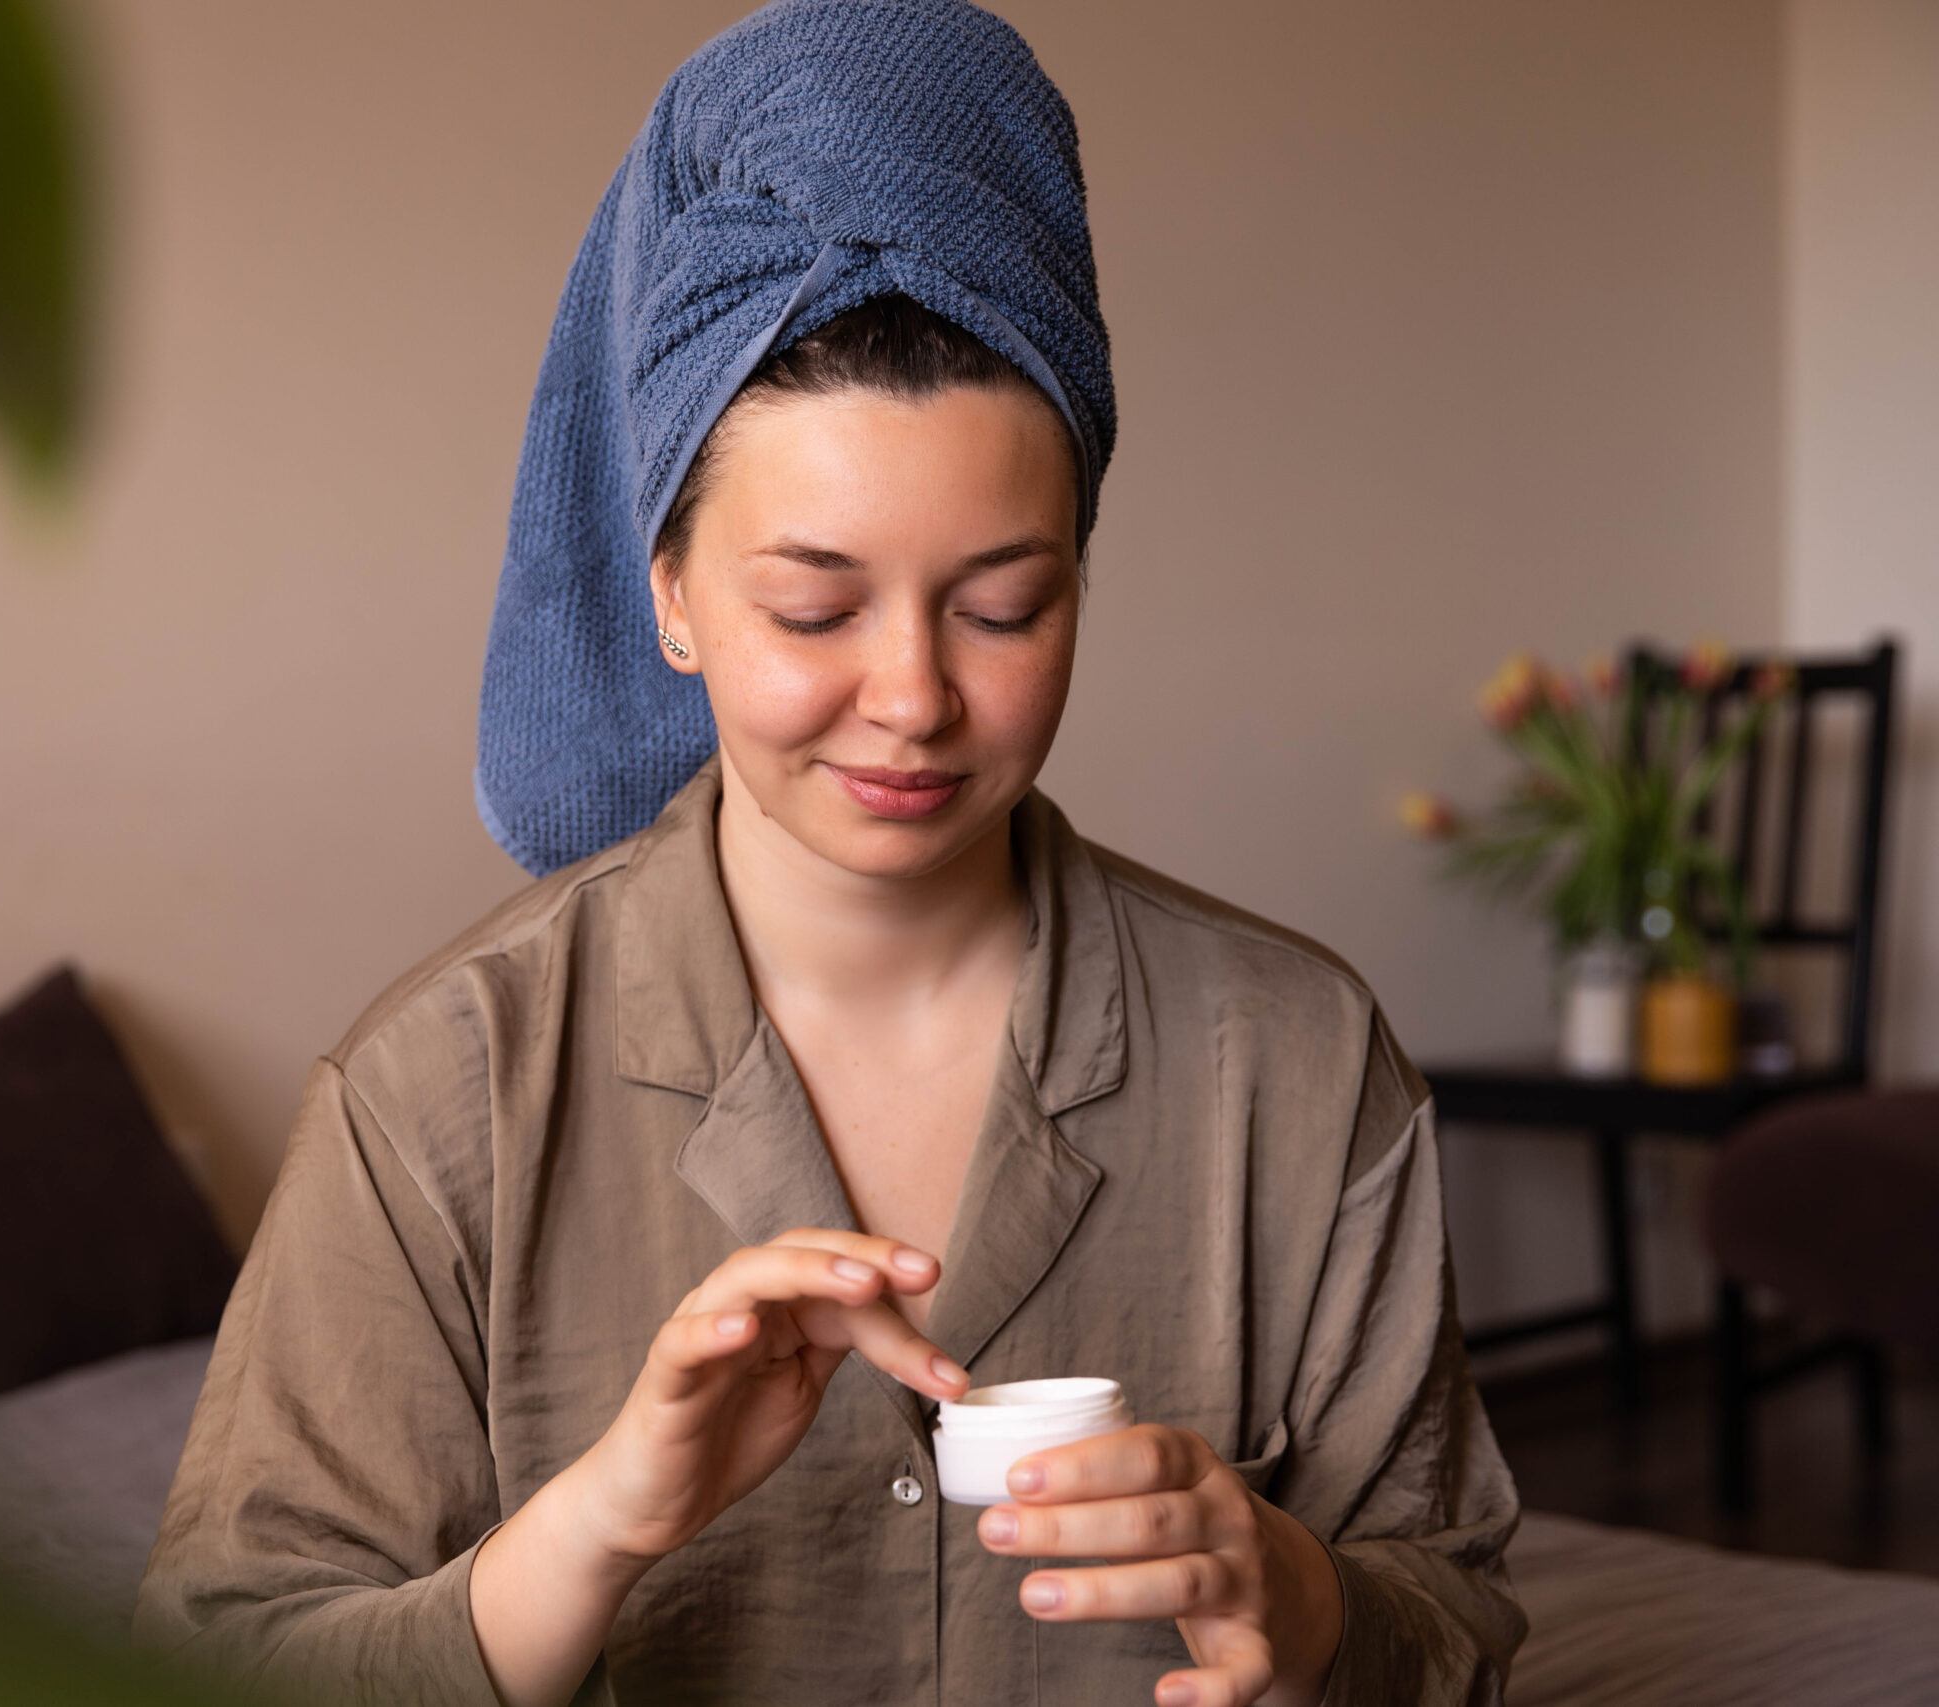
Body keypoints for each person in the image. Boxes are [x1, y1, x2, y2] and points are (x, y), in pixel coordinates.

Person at [137, 4, 1524, 1704]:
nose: (916, 698)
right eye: (815, 606)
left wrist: (1299, 1599)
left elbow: (1451, 1610)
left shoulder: (1297, 1066)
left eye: (1005, 605)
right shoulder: (439, 1103)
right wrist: (595, 1526)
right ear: (669, 595)